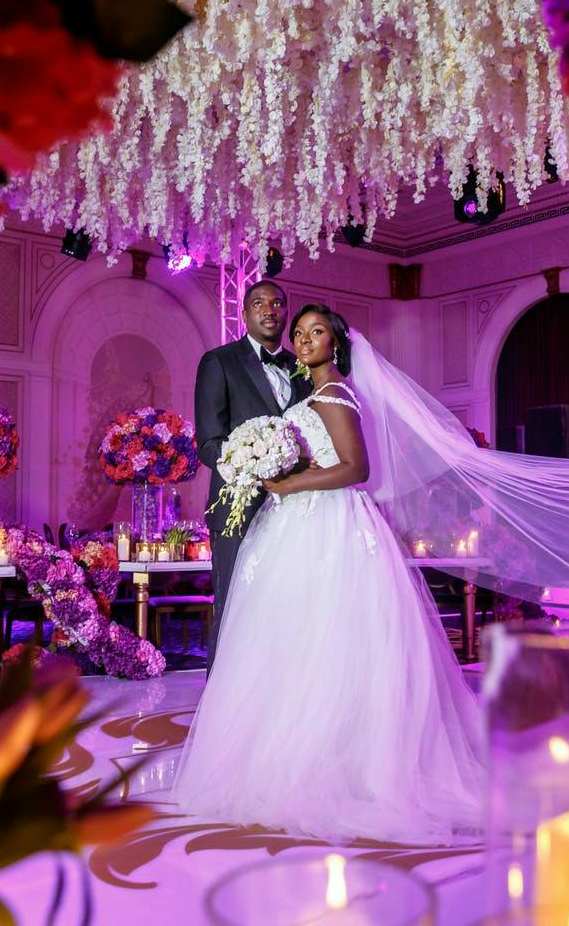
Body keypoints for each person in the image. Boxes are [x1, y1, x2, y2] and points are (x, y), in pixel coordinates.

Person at [173, 304, 484, 845]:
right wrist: (261, 465)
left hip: (329, 525)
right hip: (291, 524)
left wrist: (291, 483)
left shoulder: (336, 392)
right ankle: (278, 756)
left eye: (316, 332)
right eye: (301, 333)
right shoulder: (306, 392)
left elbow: (357, 468)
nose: (305, 339)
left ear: (335, 343)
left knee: (331, 639)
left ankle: (345, 766)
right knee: (288, 642)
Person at [193, 280, 311, 669]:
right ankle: (218, 704)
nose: (269, 309)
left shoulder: (303, 369)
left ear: (286, 313)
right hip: (237, 506)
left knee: (288, 601)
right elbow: (209, 442)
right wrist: (251, 466)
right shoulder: (219, 362)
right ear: (244, 314)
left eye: (278, 303)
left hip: (295, 505)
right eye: (259, 303)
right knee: (233, 600)